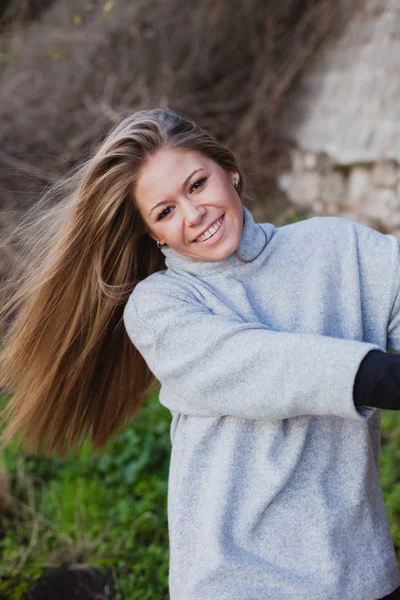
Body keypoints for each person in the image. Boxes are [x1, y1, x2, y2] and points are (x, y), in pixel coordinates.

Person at [1, 107, 400, 599]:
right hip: (234, 581)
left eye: (196, 185)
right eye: (165, 211)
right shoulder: (160, 307)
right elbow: (260, 364)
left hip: (358, 574)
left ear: (228, 170)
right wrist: (378, 375)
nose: (194, 215)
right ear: (153, 233)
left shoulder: (340, 249)